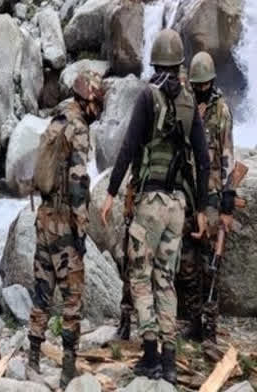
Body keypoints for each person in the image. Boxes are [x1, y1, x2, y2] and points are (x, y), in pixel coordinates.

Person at [100, 29, 210, 384]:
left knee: (141, 276)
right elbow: (203, 160)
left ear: (155, 62)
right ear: (179, 64)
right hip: (178, 204)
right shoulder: (191, 102)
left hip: (150, 202)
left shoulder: (148, 97)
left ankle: (150, 356)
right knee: (166, 279)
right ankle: (171, 361)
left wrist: (112, 192)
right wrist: (203, 208)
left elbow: (129, 147)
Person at [27, 71, 105, 388]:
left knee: (42, 290)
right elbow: (78, 184)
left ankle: (32, 359)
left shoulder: (56, 120)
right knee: (72, 296)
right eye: (97, 103)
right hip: (63, 223)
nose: (99, 109)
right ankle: (67, 370)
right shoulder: (79, 129)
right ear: (88, 101)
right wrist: (81, 230)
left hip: (44, 216)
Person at [175, 51, 235, 343]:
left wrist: (227, 200)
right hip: (187, 193)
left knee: (211, 263)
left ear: (211, 82)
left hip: (210, 194)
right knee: (187, 262)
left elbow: (227, 156)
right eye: (196, 85)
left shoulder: (221, 110)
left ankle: (209, 328)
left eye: (203, 85)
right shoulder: (185, 105)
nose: (200, 90)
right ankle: (194, 320)